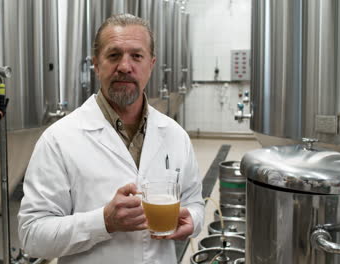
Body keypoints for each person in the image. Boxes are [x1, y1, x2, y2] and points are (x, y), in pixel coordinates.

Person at [18, 13, 204, 264]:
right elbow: (31, 235)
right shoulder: (59, 139)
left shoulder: (175, 135)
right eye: (114, 55)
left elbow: (194, 201)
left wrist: (193, 220)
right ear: (96, 64)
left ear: (151, 64)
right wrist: (103, 221)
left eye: (136, 56)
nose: (125, 66)